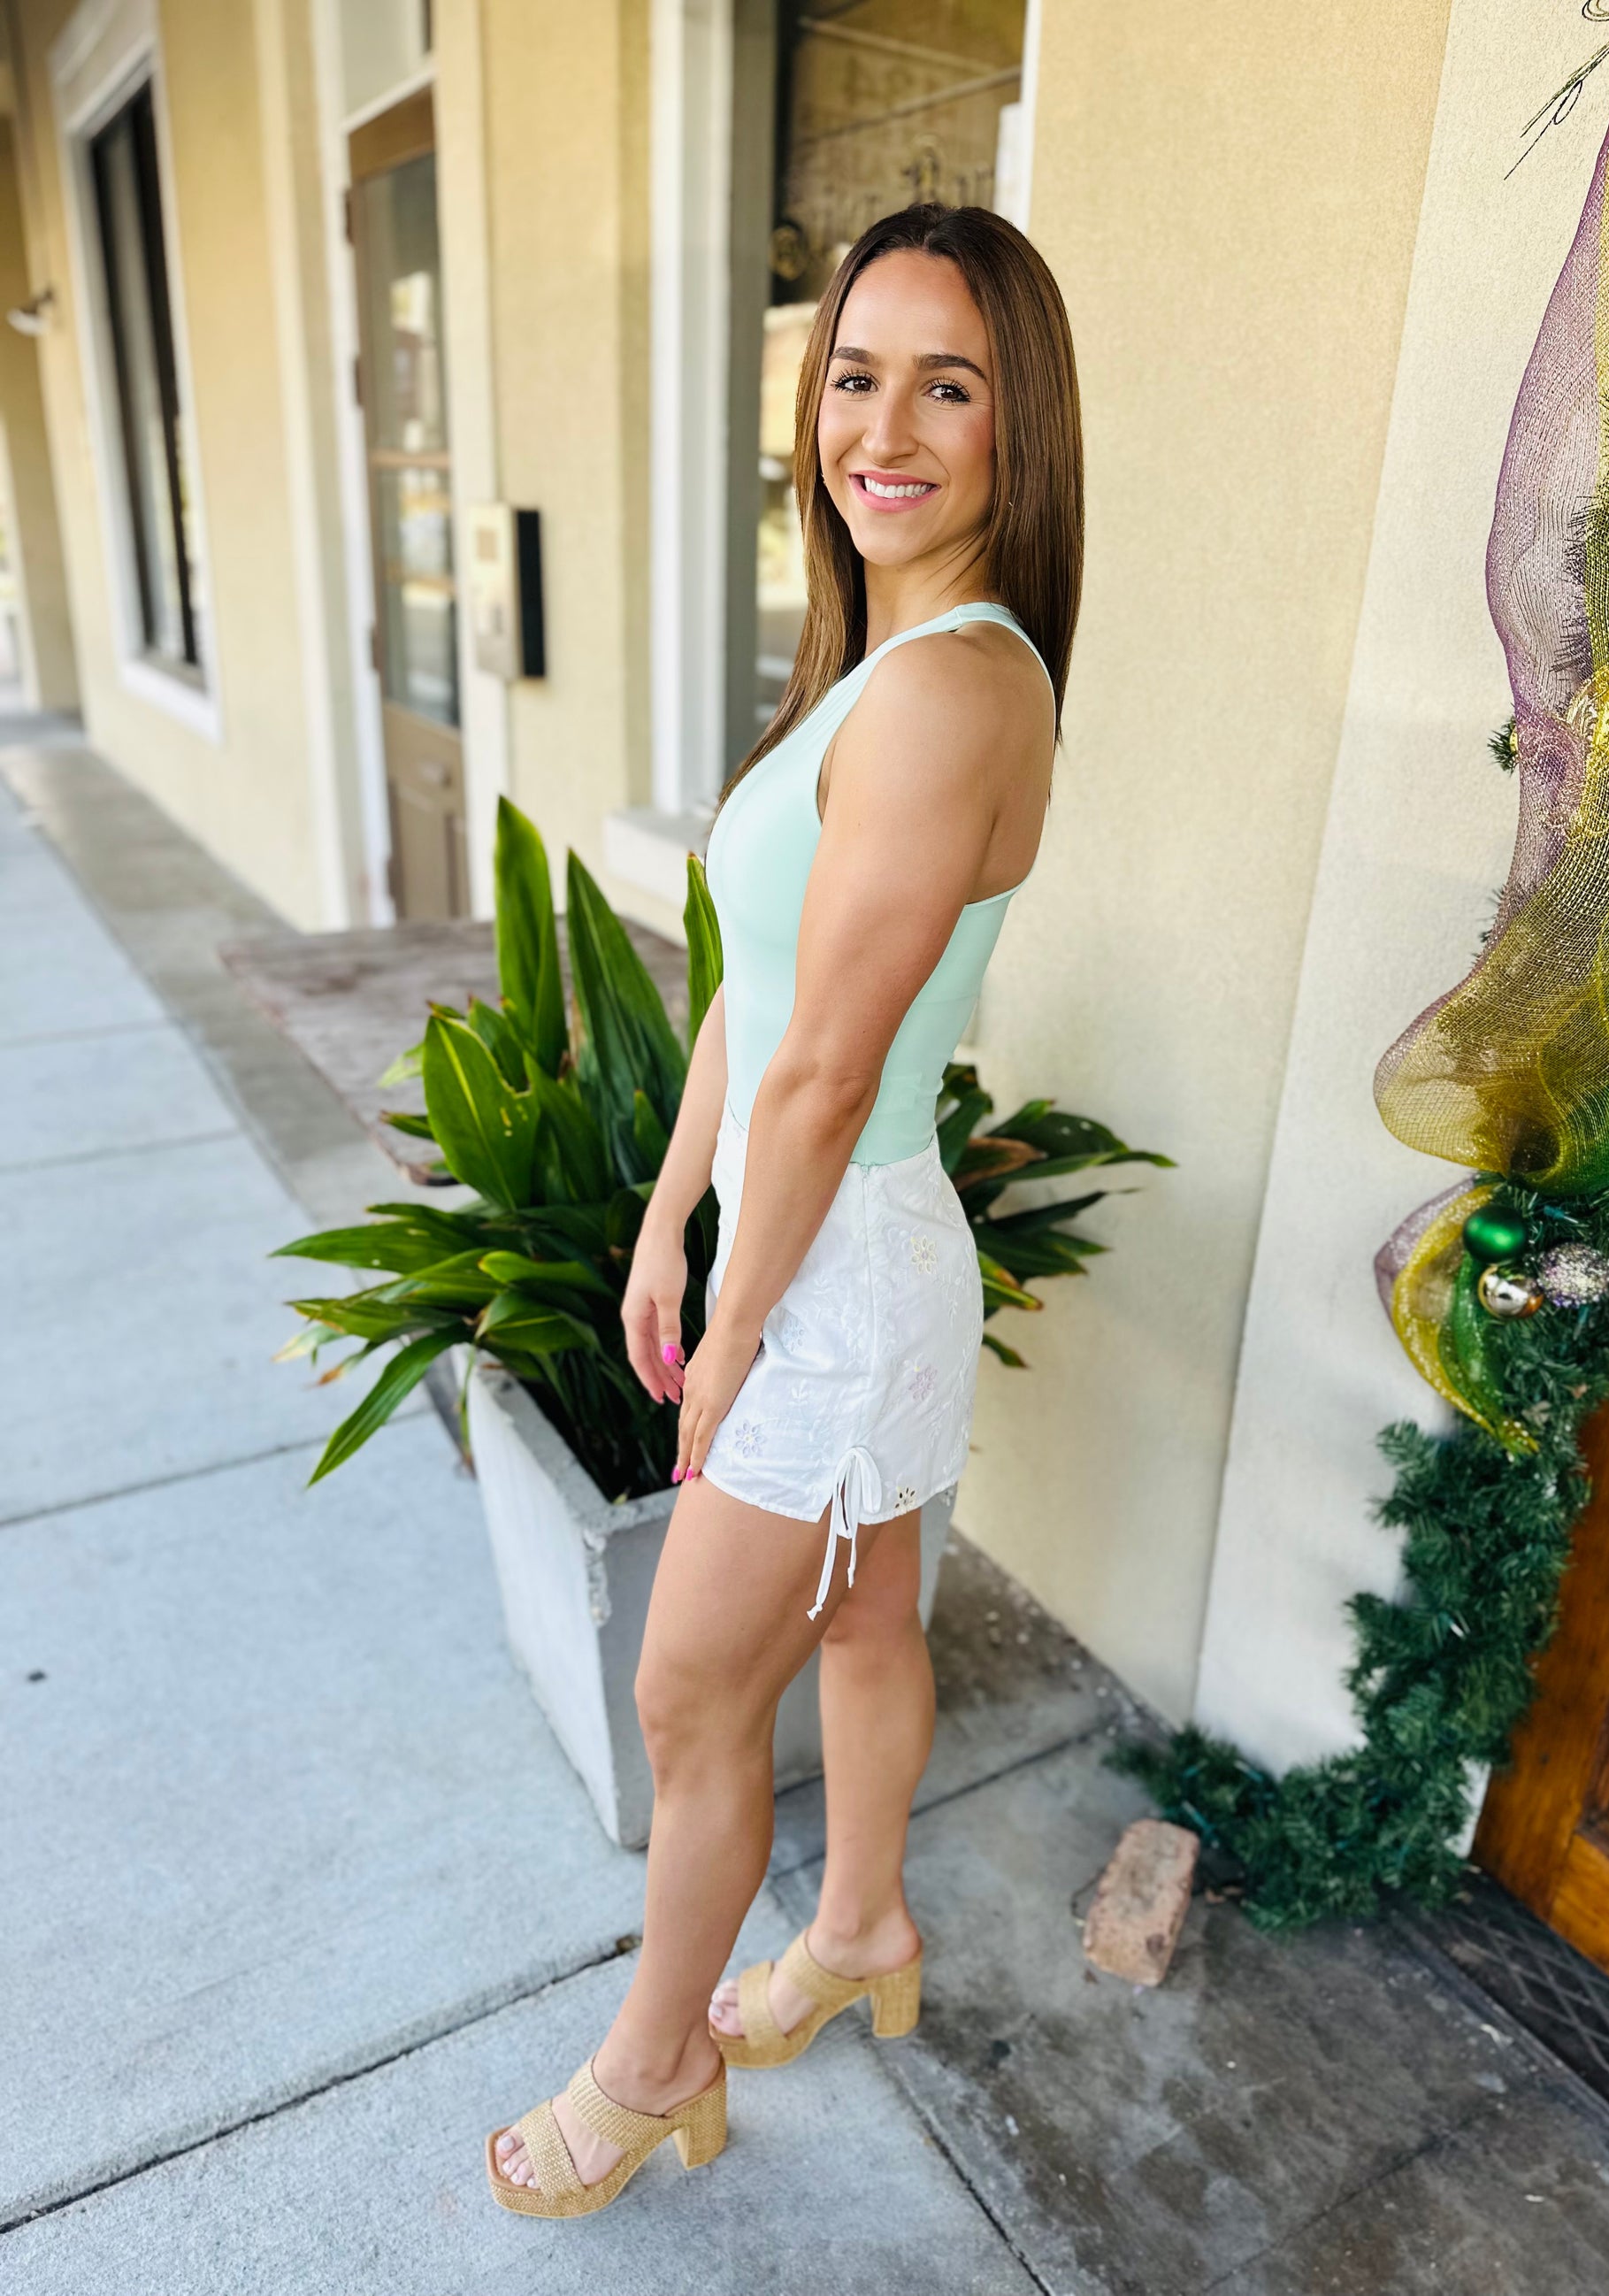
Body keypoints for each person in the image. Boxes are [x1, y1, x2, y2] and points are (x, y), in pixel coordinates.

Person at [487, 199, 1083, 2218]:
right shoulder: (883, 667)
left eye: (947, 386)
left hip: (836, 1261)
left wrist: (735, 1327)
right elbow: (762, 989)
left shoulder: (949, 691)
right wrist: (671, 1211)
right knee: (869, 1617)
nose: (881, 430)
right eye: (852, 376)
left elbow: (829, 1073)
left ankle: (654, 2064)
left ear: (1019, 426)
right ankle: (857, 1929)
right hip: (835, 1235)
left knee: (687, 1692)